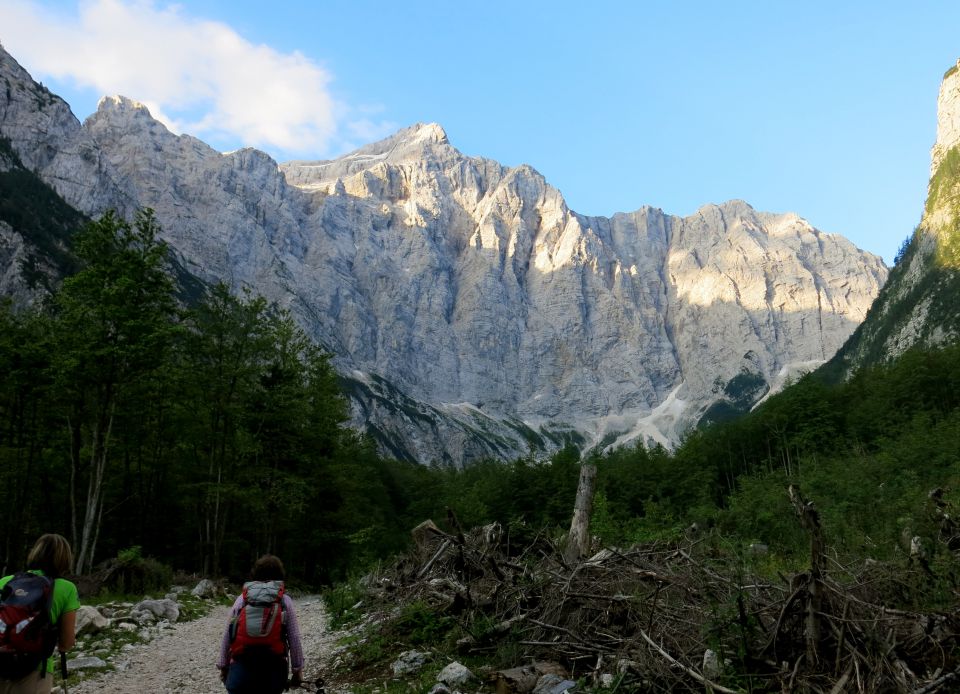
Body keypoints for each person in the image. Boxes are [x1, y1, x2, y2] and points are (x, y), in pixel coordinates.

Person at [0, 533, 80, 694]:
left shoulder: (5, 581)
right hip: (36, 669)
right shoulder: (66, 588)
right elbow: (67, 642)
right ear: (65, 558)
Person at [217, 555, 304, 693]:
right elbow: (294, 638)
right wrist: (297, 670)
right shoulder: (284, 601)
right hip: (274, 671)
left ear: (255, 575)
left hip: (242, 668)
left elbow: (228, 633)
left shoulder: (242, 599)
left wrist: (223, 666)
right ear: (279, 575)